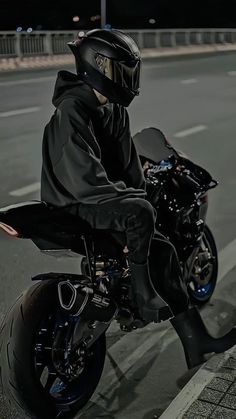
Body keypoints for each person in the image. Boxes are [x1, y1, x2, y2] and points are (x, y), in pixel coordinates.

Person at [41, 29, 236, 369]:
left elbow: (129, 168)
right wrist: (133, 200)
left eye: (130, 71)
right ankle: (145, 297)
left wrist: (137, 191)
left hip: (100, 198)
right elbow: (81, 177)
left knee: (163, 247)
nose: (127, 79)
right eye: (121, 71)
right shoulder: (72, 110)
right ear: (96, 67)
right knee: (140, 212)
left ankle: (196, 342)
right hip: (74, 200)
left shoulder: (114, 111)